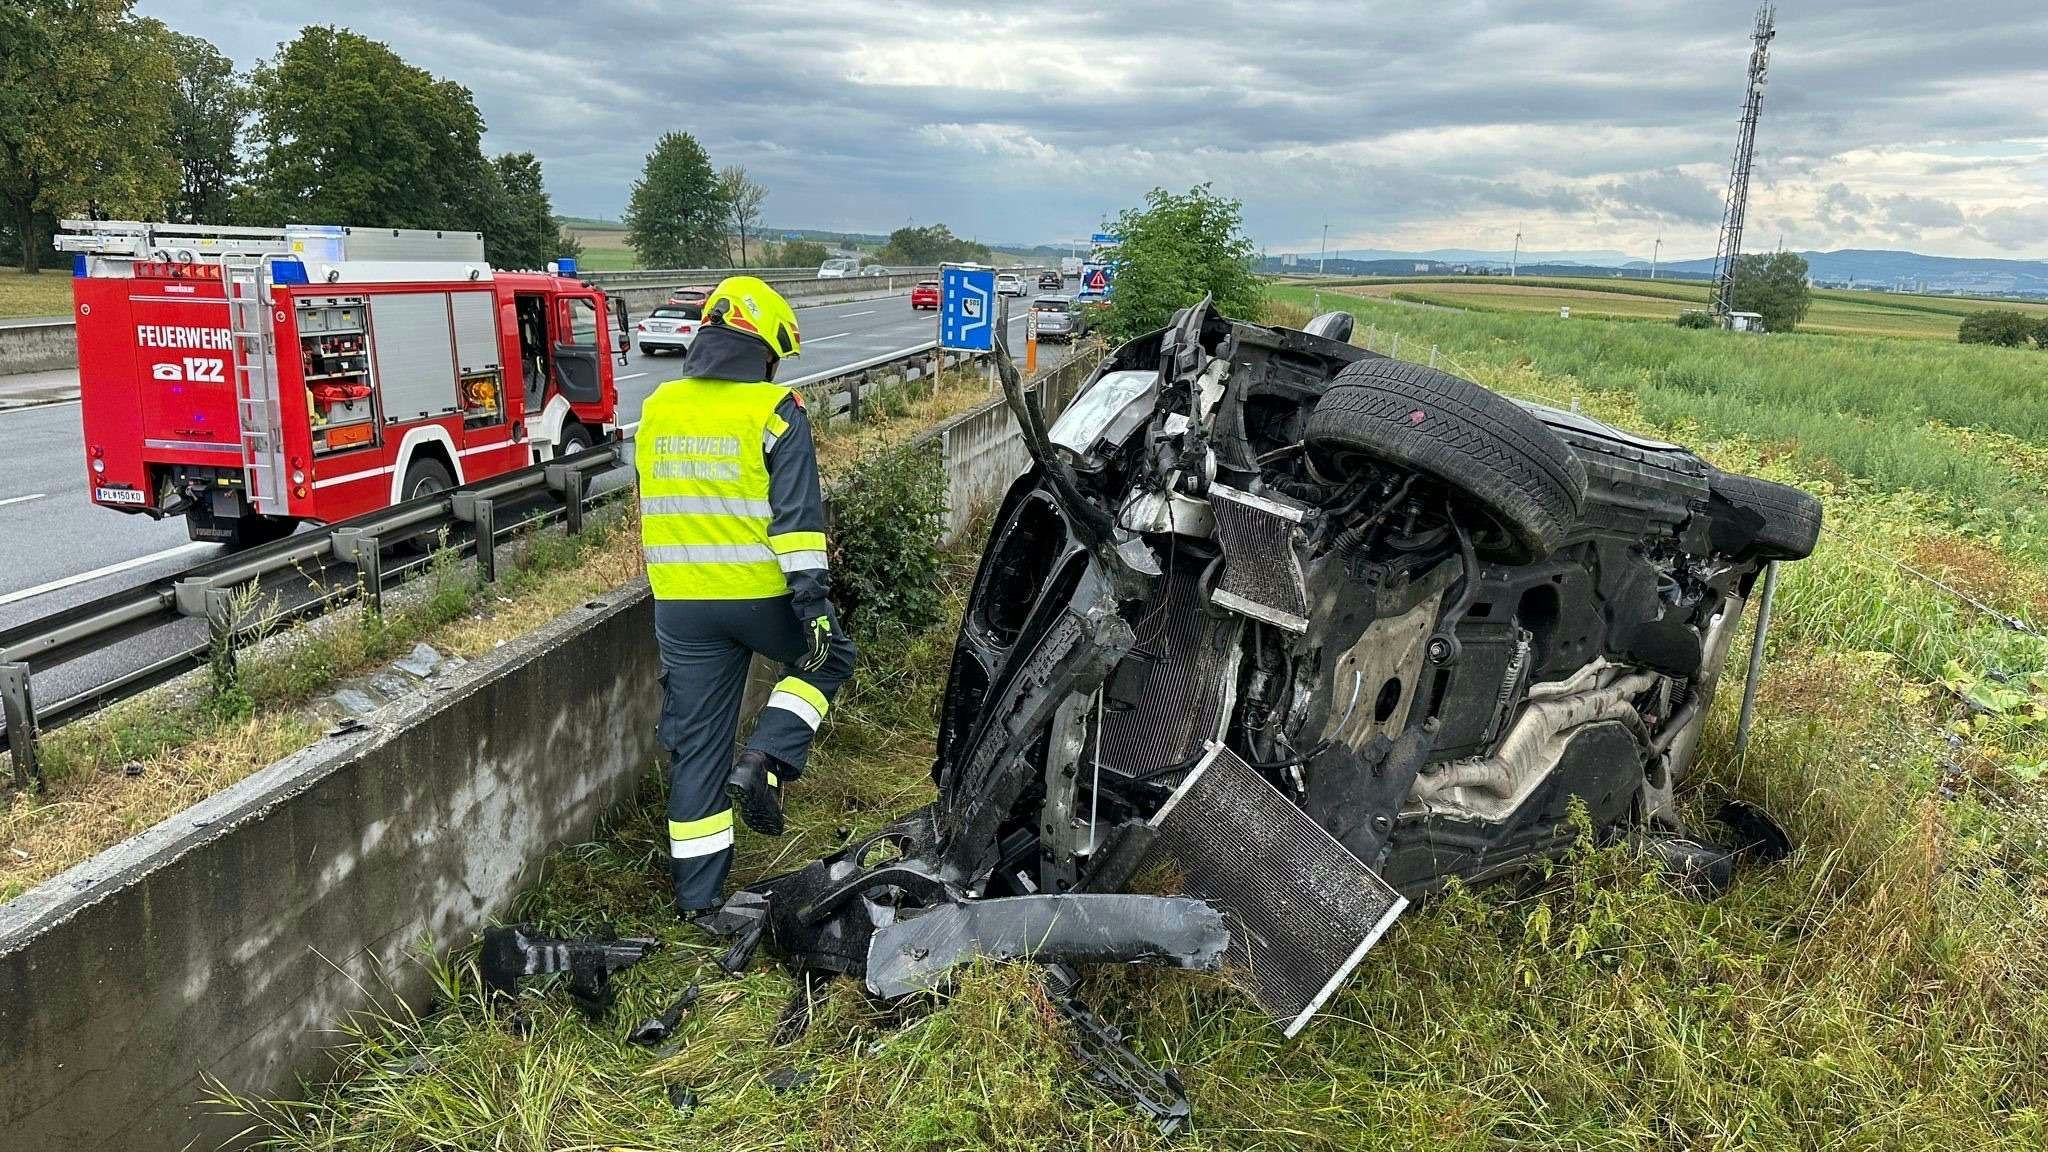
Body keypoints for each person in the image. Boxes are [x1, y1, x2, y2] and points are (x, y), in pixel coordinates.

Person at [634, 276, 856, 920]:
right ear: (763, 351)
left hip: (679, 605)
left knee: (697, 747)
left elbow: (654, 497)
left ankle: (699, 903)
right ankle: (768, 758)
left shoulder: (658, 407)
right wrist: (813, 607)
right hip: (760, 598)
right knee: (829, 659)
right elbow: (798, 522)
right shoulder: (775, 409)